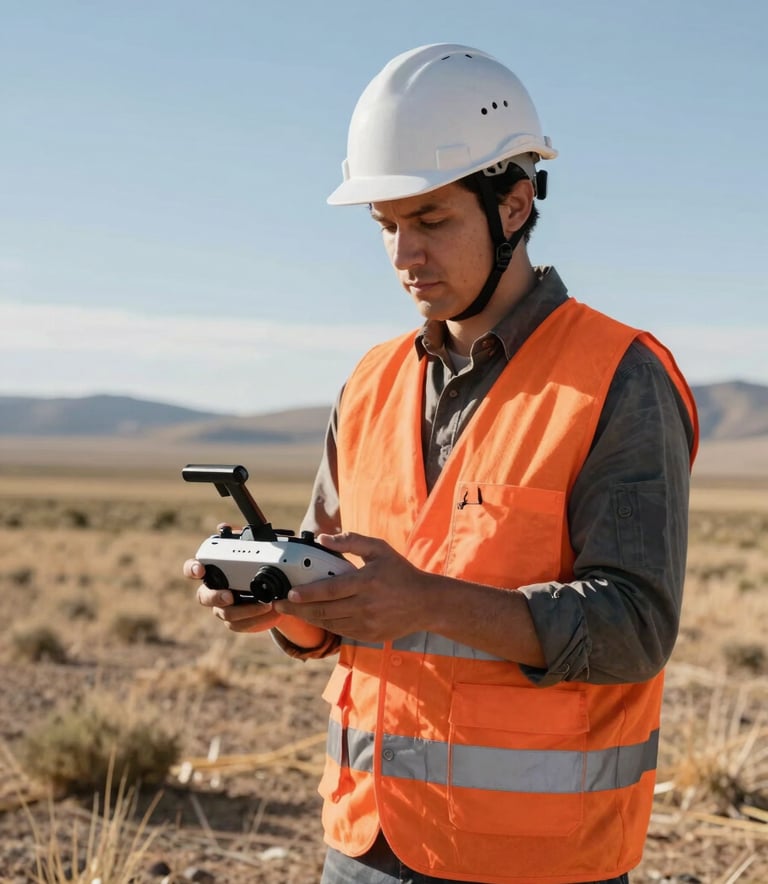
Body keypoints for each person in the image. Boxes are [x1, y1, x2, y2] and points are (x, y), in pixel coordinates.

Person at [185, 43, 698, 884]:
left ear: (516, 204)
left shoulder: (619, 376)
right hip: (362, 842)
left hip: (532, 859)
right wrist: (275, 602)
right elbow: (333, 607)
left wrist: (426, 599)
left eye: (430, 221)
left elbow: (634, 627)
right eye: (386, 226)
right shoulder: (371, 381)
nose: (402, 257)